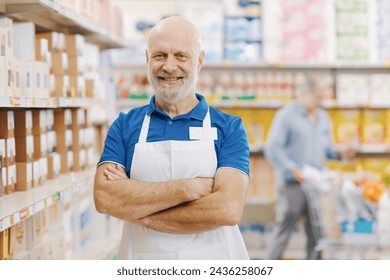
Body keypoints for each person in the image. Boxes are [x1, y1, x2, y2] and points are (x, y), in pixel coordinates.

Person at [93, 16, 250, 260]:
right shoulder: (125, 126)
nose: (169, 66)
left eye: (181, 56)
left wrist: (141, 213)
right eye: (159, 55)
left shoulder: (229, 127)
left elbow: (227, 209)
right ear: (147, 59)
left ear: (199, 61)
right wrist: (191, 187)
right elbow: (106, 198)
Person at [263, 74, 355, 260]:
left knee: (318, 231)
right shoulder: (287, 115)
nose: (321, 100)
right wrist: (293, 169)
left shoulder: (323, 117)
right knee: (285, 228)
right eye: (318, 96)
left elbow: (327, 149)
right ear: (306, 94)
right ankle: (267, 266)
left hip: (316, 184)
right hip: (292, 184)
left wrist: (340, 154)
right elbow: (272, 149)